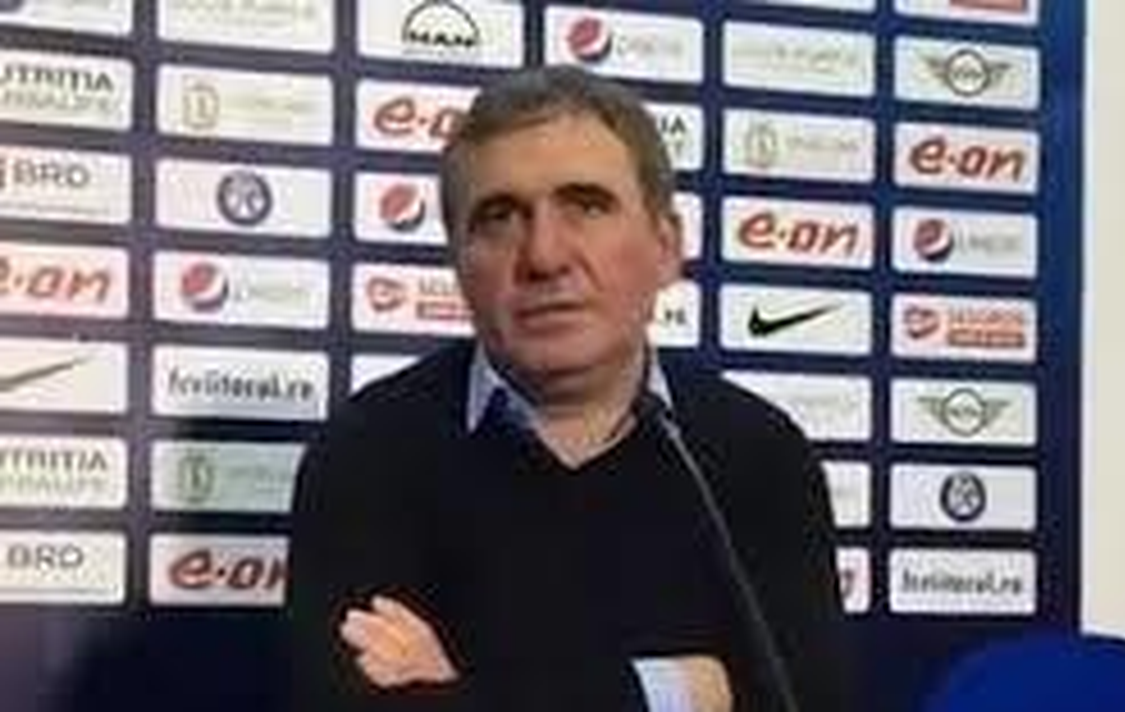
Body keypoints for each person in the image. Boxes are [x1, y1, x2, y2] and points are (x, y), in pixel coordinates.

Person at [287, 65, 853, 712]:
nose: (544, 256)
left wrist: (462, 690)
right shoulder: (369, 452)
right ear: (458, 261)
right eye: (499, 217)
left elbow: (805, 699)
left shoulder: (757, 453)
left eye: (586, 205)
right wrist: (685, 690)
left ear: (666, 247)